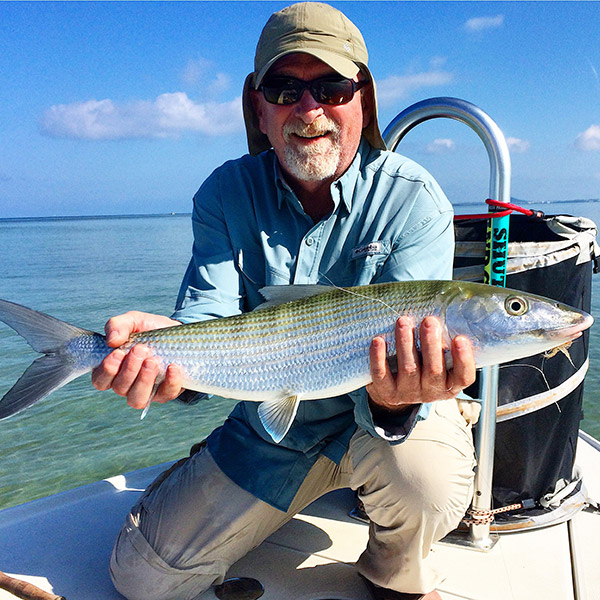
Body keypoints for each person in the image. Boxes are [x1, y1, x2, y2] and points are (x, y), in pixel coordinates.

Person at [94, 3, 477, 599]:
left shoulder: (414, 199)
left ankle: (392, 570)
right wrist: (166, 355)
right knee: (143, 578)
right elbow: (207, 321)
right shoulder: (225, 193)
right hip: (274, 426)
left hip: (386, 424)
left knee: (424, 480)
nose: (308, 109)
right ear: (258, 108)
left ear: (363, 101)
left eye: (330, 87)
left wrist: (399, 406)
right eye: (283, 89)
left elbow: (411, 367)